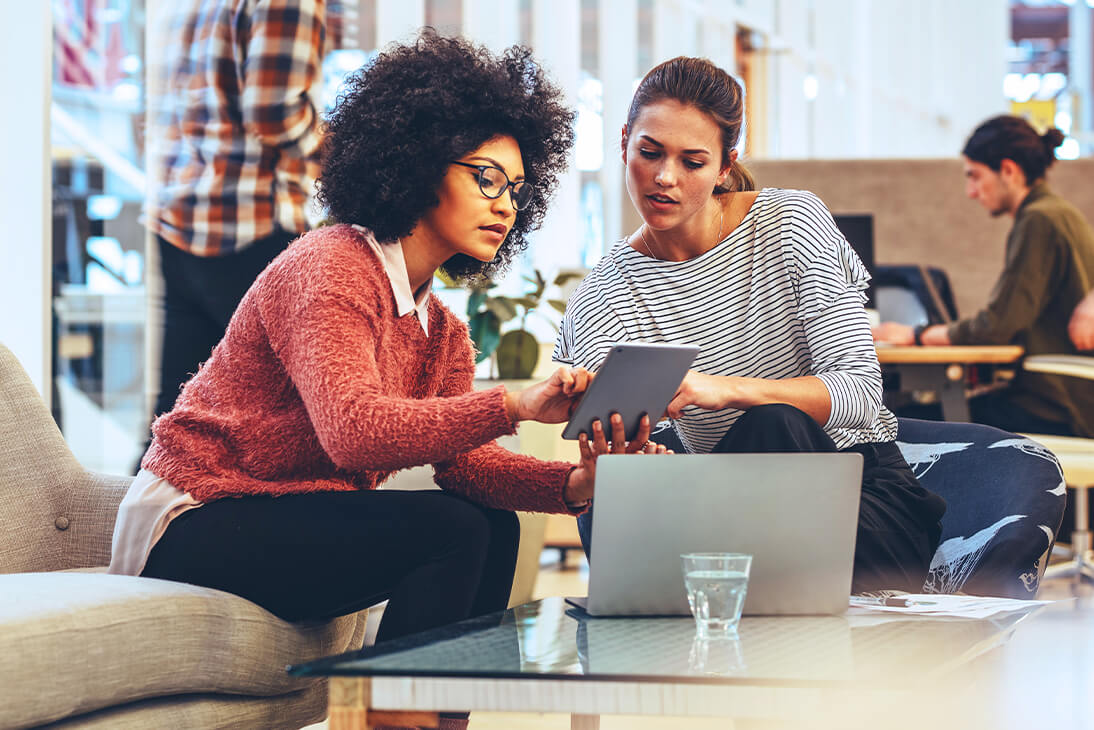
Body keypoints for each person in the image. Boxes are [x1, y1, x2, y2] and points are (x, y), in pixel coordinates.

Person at [110, 34, 665, 699]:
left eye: (517, 189)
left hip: (285, 513)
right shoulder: (332, 266)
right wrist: (513, 404)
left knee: (492, 524)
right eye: (485, 177)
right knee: (451, 530)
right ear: (419, 162)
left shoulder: (443, 332)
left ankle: (440, 718)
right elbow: (353, 431)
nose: (505, 204)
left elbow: (470, 469)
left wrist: (577, 484)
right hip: (195, 515)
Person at [555, 56, 946, 594]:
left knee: (772, 424)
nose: (664, 178)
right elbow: (647, 465)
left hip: (859, 508)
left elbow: (859, 391)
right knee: (616, 492)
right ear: (623, 141)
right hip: (722, 513)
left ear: (724, 165)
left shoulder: (791, 223)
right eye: (649, 153)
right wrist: (621, 448)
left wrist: (722, 391)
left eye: (692, 162)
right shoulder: (603, 295)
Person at [141, 0, 326, 469]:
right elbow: (274, 112)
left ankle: (124, 536)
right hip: (251, 223)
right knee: (280, 425)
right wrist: (343, 150)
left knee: (178, 415)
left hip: (181, 216)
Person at [873, 115, 1094, 438]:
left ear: (1008, 170)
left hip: (1056, 405)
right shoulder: (1057, 214)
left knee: (897, 423)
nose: (971, 192)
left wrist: (917, 335)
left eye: (975, 176)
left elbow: (996, 327)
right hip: (1069, 397)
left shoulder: (1039, 220)